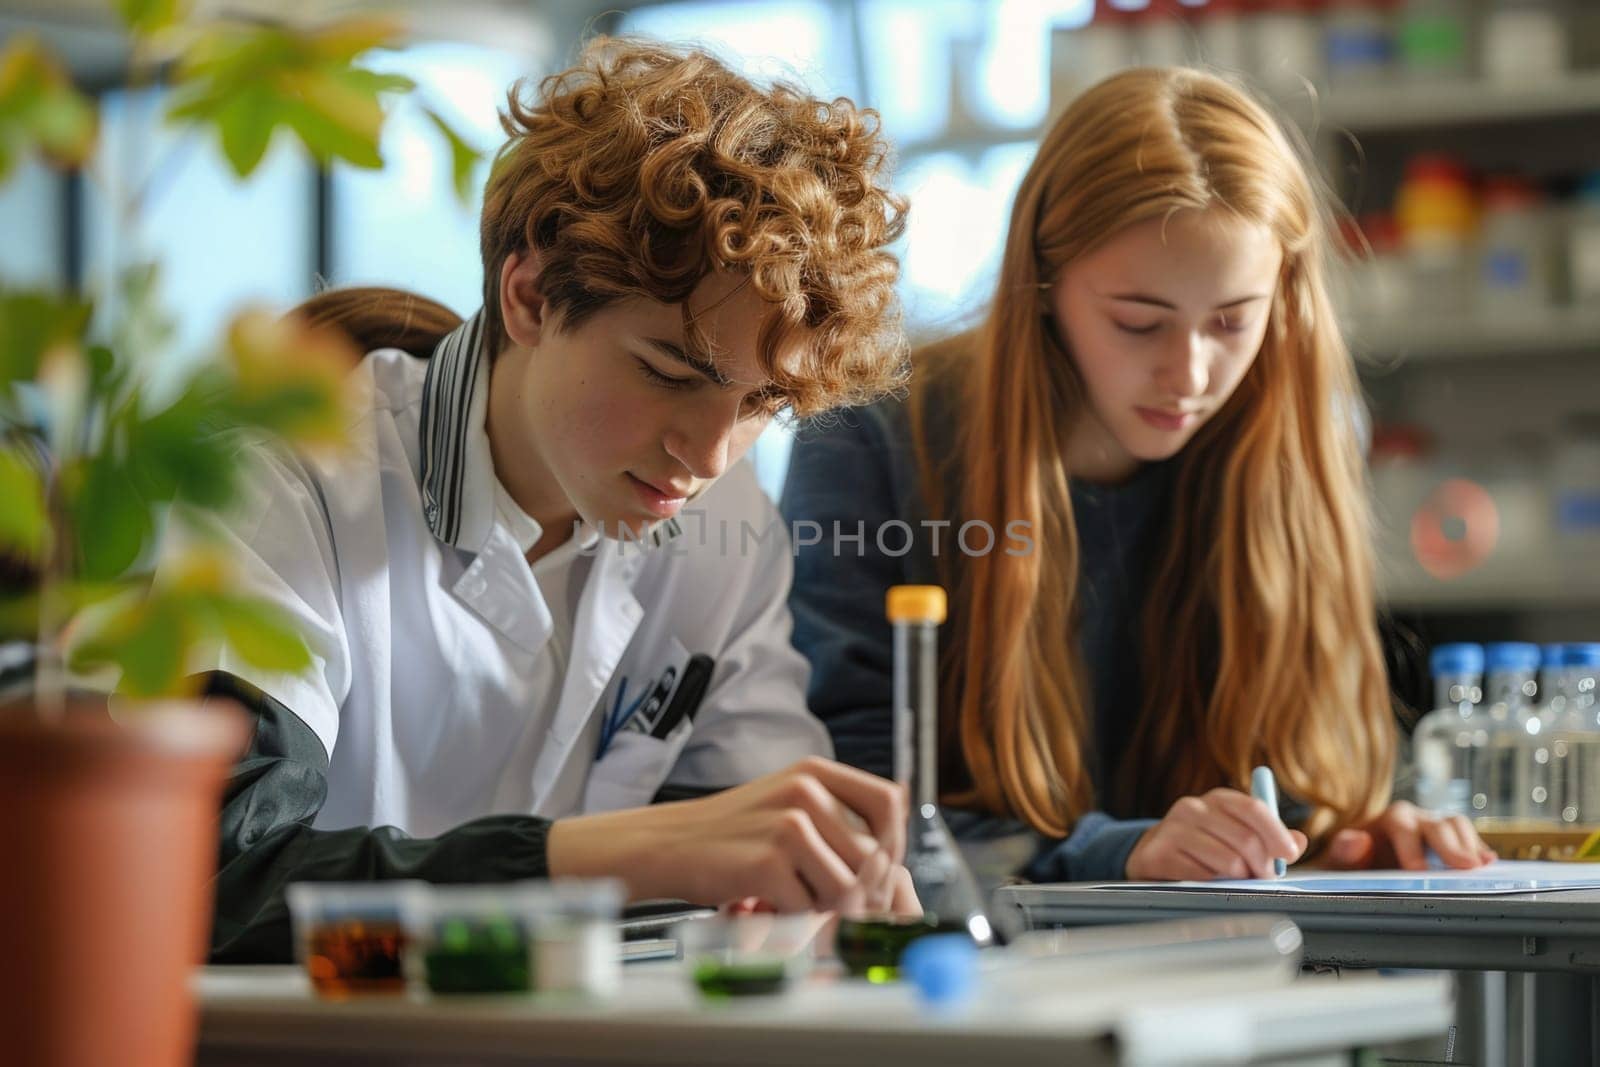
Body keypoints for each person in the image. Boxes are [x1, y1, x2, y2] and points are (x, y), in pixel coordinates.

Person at [180, 37, 916, 963]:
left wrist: (815, 881)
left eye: (761, 404)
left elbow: (748, 849)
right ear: (529, 295)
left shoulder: (727, 531)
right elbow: (215, 882)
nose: (710, 453)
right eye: (669, 371)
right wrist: (618, 856)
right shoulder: (287, 480)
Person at [782, 67, 1495, 886]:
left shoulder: (1285, 441)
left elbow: (1299, 777)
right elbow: (855, 806)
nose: (1188, 373)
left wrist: (1347, 833)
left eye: (1233, 321)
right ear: (1043, 285)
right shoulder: (869, 438)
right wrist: (1119, 852)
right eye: (1139, 322)